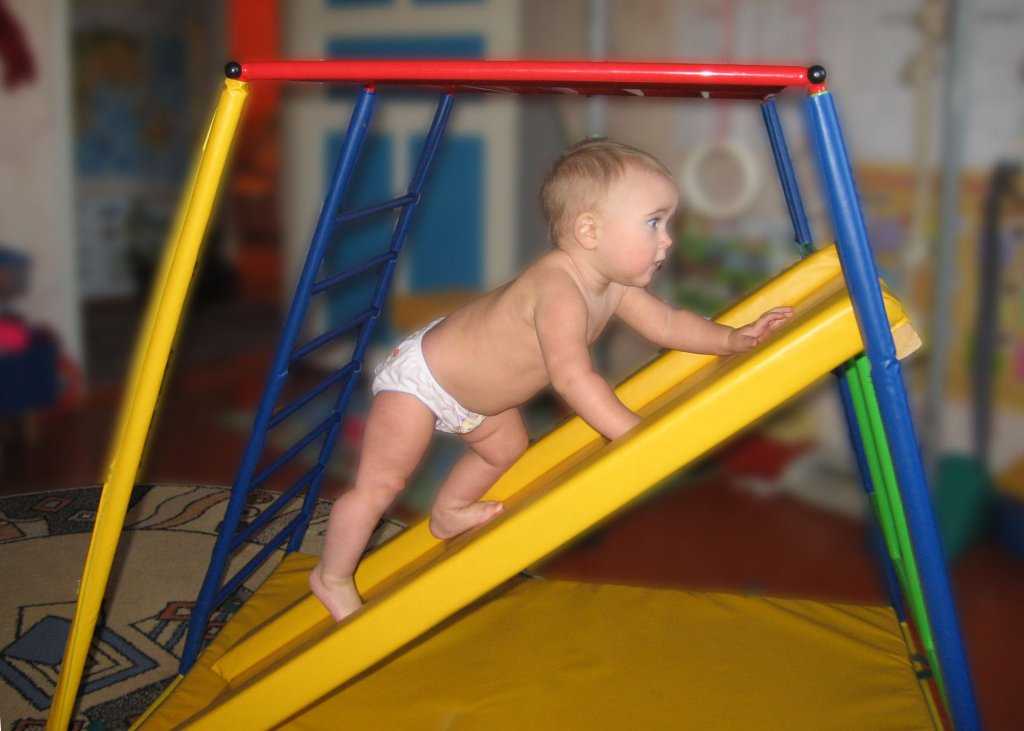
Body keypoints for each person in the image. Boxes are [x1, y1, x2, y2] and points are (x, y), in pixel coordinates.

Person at [310, 138, 793, 621]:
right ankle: (330, 577)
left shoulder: (613, 286)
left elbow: (668, 325)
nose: (667, 239)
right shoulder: (558, 289)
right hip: (424, 379)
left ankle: (448, 511)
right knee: (380, 484)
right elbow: (572, 377)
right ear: (589, 230)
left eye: (666, 223)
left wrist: (733, 339)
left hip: (480, 402)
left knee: (506, 449)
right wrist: (630, 433)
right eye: (653, 223)